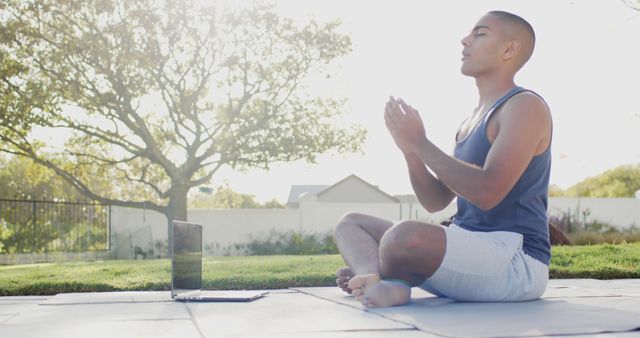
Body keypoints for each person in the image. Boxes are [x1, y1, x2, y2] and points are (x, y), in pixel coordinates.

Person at [333, 10, 553, 308]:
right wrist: (409, 150)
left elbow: (487, 193)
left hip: (514, 261)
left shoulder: (524, 106)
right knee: (351, 224)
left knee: (402, 237)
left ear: (509, 49)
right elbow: (435, 200)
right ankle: (375, 277)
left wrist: (420, 142)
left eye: (480, 34)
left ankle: (387, 273)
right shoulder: (471, 119)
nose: (465, 41)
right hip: (467, 250)